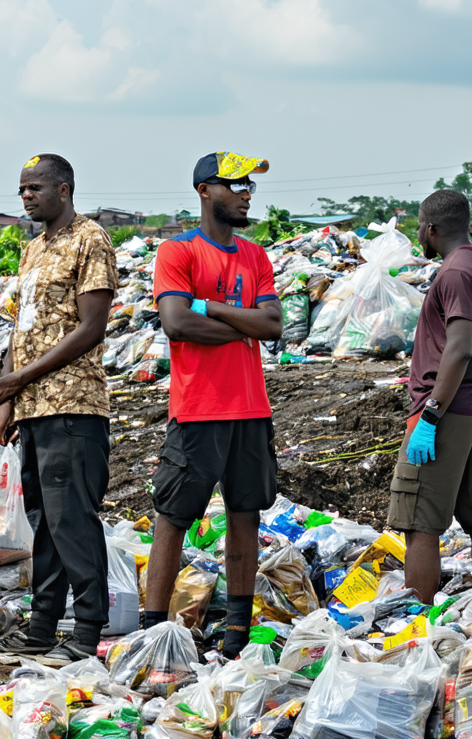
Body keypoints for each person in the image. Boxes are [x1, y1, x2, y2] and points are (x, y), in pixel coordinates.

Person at [141, 151, 282, 660]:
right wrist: (241, 322)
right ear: (205, 190)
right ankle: (153, 634)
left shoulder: (255, 256)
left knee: (247, 516)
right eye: (234, 183)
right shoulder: (178, 252)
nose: (246, 192)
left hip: (251, 409)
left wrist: (213, 308)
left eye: (249, 185)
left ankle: (237, 637)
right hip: (198, 408)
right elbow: (177, 324)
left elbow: (273, 327)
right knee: (172, 517)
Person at [0, 154, 117, 666]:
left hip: (73, 406)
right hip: (34, 408)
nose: (26, 196)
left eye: (35, 187)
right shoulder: (33, 250)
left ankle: (85, 633)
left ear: (64, 189)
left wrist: (22, 378)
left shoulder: (90, 239)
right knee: (44, 521)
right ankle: (40, 629)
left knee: (71, 520)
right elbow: (22, 330)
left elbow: (91, 327)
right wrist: (8, 399)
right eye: (21, 189)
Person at [389, 188, 472, 605]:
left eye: (419, 228)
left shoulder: (455, 272)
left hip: (446, 411)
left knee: (419, 520)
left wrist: (431, 415)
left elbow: (460, 347)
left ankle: (415, 624)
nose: (419, 235)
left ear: (432, 229)